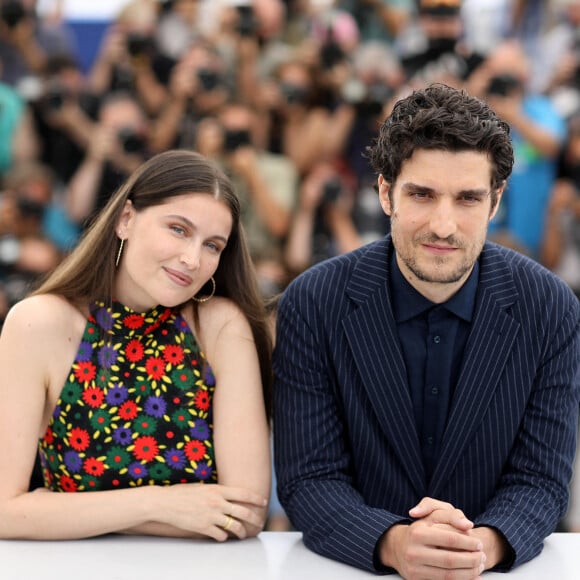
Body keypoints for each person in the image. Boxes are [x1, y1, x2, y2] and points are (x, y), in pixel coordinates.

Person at [272, 83, 580, 577]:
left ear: (495, 202)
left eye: (467, 199)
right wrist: (394, 545)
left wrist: (481, 547)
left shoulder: (549, 307)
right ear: (384, 192)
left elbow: (541, 479)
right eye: (422, 194)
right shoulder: (314, 302)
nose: (443, 224)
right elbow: (310, 479)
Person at [0, 149, 272, 541]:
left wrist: (62, 512)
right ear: (125, 219)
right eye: (178, 229)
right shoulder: (38, 323)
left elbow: (244, 513)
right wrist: (162, 505)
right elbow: (6, 511)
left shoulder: (220, 326)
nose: (192, 259)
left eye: (213, 245)